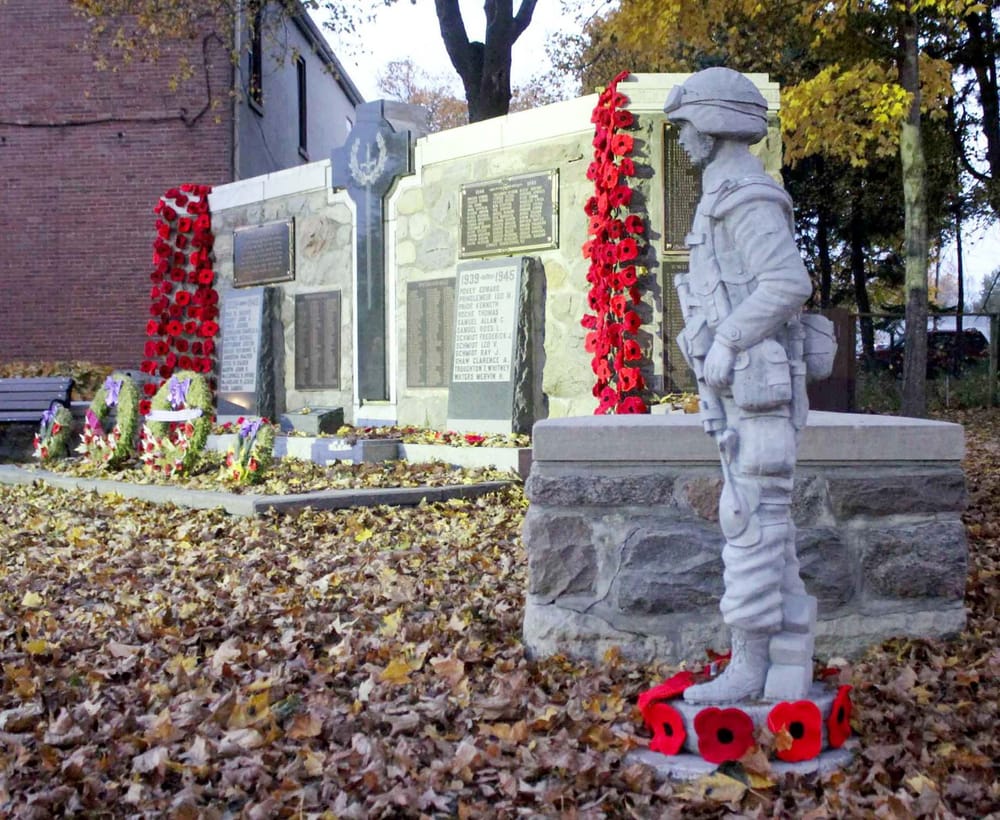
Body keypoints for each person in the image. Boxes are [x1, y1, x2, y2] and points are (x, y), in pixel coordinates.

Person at [665, 67, 817, 703]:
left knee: (749, 523)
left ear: (714, 121)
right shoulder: (722, 194)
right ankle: (788, 653)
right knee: (763, 525)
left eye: (686, 126)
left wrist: (727, 340)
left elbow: (787, 283)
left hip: (758, 391)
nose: (681, 141)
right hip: (737, 393)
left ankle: (752, 667)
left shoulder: (746, 198)